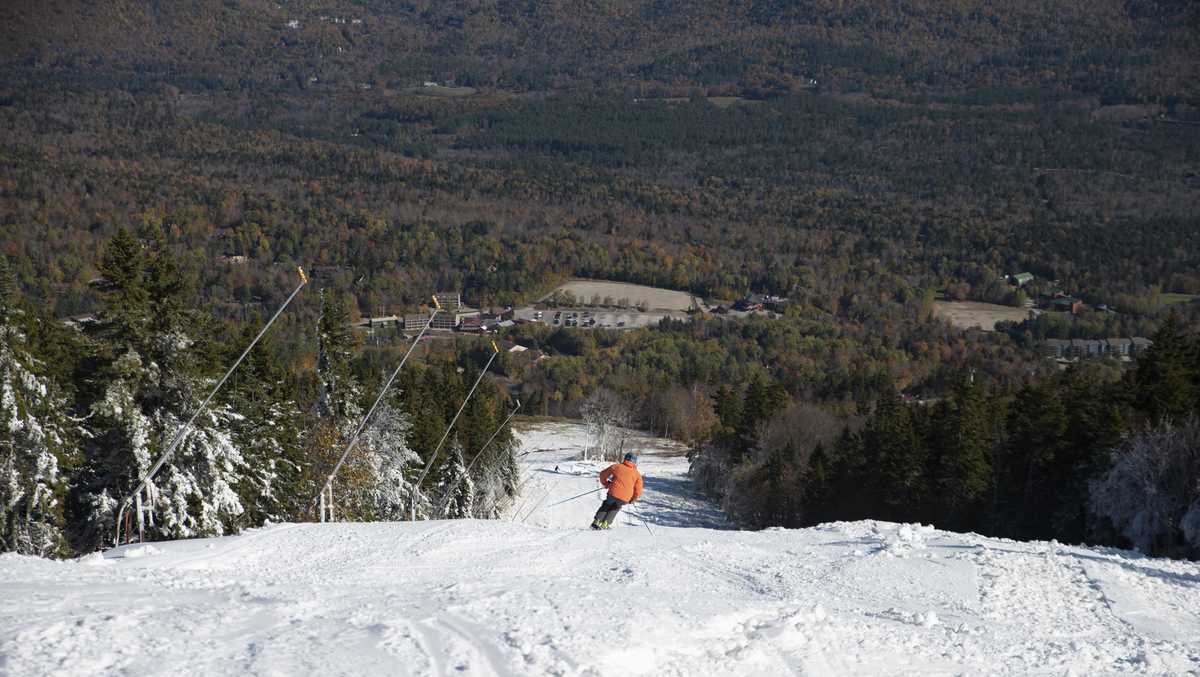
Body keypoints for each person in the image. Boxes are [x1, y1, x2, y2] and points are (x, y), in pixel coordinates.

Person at [591, 452, 643, 530]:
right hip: (625, 498)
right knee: (616, 507)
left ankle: (597, 522)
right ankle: (605, 524)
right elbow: (638, 490)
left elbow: (602, 474)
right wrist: (633, 499)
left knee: (607, 505)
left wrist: (606, 483)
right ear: (635, 462)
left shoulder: (617, 466)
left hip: (613, 493)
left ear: (625, 459)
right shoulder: (637, 474)